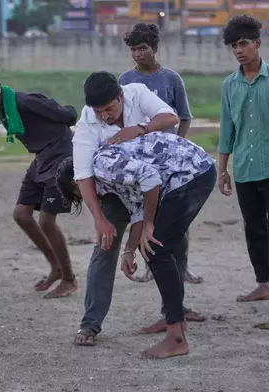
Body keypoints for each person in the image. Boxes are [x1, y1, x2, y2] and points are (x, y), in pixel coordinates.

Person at [70, 71, 206, 346]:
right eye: (100, 112)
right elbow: (83, 175)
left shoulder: (136, 92)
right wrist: (99, 219)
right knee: (105, 247)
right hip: (114, 187)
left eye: (110, 108)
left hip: (155, 185)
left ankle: (172, 314)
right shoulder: (86, 124)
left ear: (120, 96)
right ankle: (90, 324)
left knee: (166, 244)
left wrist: (140, 129)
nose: (106, 116)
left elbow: (170, 118)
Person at [56, 131, 217, 359]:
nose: (92, 199)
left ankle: (176, 336)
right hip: (191, 173)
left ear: (78, 181)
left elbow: (150, 178)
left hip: (191, 173)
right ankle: (176, 325)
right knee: (154, 248)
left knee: (156, 249)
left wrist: (151, 223)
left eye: (79, 193)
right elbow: (139, 210)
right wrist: (129, 250)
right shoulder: (108, 179)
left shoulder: (103, 165)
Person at [0, 72, 78, 299]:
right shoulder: (6, 111)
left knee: (46, 220)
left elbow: (69, 115)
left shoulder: (25, 102)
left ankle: (69, 279)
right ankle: (55, 267)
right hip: (41, 159)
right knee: (21, 214)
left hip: (62, 157)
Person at [218, 15, 269, 306]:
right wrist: (222, 169)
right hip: (244, 169)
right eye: (234, 46)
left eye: (244, 44)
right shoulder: (229, 85)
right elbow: (227, 129)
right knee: (253, 227)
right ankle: (263, 284)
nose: (239, 50)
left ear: (257, 44)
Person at [118, 22, 202, 285]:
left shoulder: (171, 79)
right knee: (145, 213)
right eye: (133, 50)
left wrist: (177, 147)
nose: (137, 54)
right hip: (140, 160)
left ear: (154, 48)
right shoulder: (125, 80)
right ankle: (150, 267)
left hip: (170, 159)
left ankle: (182, 266)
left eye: (142, 48)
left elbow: (184, 117)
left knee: (179, 215)